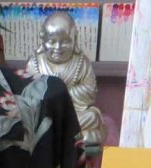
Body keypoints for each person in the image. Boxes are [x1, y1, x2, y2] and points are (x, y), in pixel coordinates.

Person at [26, 11, 106, 145]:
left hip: (74, 114)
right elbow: (28, 95)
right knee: (33, 121)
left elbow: (90, 91)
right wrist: (54, 97)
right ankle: (76, 137)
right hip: (45, 116)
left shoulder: (82, 62)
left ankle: (61, 136)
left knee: (93, 117)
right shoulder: (35, 63)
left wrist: (60, 94)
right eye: (52, 41)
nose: (58, 47)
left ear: (75, 38)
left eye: (65, 42)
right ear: (42, 38)